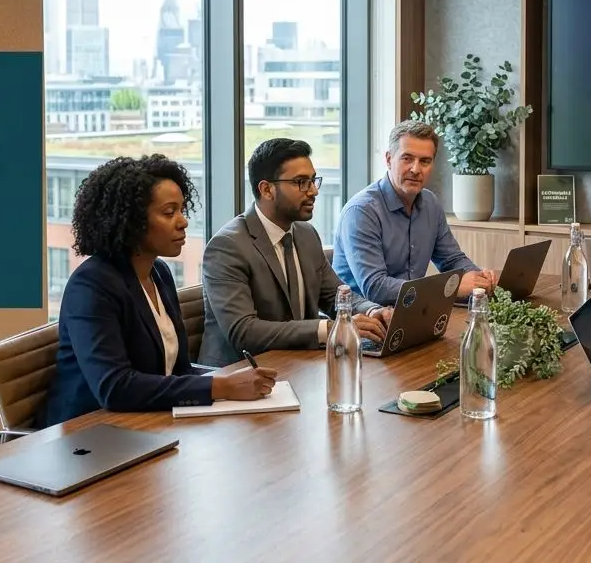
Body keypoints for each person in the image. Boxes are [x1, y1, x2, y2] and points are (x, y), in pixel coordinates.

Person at [37, 155, 276, 428]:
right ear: (132, 220)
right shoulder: (91, 285)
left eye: (182, 210)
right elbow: (115, 387)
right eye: (168, 212)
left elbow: (178, 370)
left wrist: (231, 384)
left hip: (147, 423)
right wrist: (220, 387)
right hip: (88, 435)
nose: (183, 222)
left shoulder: (159, 273)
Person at [198, 139, 394, 367]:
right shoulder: (227, 247)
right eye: (301, 182)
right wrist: (330, 328)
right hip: (239, 376)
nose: (313, 191)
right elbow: (244, 331)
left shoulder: (305, 233)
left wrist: (372, 311)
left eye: (313, 180)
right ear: (266, 189)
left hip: (297, 365)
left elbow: (334, 296)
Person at [332, 120, 498, 305]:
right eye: (407, 158)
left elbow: (452, 259)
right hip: (364, 322)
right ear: (388, 159)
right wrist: (449, 288)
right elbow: (375, 287)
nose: (416, 169)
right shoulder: (361, 212)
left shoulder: (430, 203)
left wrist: (478, 279)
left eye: (425, 161)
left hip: (414, 311)